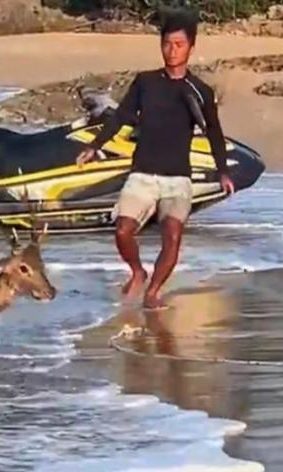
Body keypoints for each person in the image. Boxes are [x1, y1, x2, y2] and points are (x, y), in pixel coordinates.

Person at [76, 10, 235, 310]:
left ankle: (154, 292)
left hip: (177, 177)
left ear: (191, 47)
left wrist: (222, 171)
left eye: (178, 44)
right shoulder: (145, 83)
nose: (171, 50)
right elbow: (122, 116)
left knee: (172, 235)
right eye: (166, 44)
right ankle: (138, 271)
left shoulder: (200, 91)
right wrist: (96, 145)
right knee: (122, 230)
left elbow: (213, 131)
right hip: (144, 173)